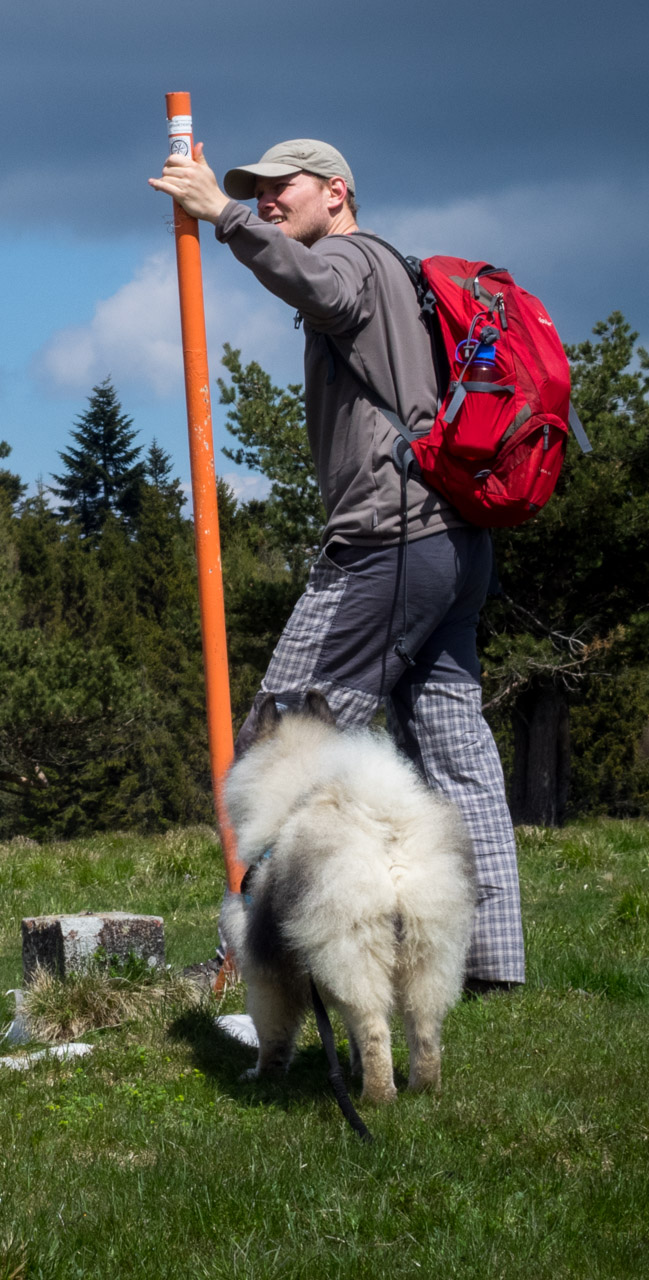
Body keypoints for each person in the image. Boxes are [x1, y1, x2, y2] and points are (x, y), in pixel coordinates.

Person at [149, 138, 523, 992]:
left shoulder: (351, 259)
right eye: (260, 191)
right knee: (455, 753)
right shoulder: (408, 272)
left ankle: (255, 963)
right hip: (453, 545)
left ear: (338, 192)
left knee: (284, 741)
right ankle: (491, 964)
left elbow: (315, 285)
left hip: (388, 544)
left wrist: (225, 217)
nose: (271, 199)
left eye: (285, 187)